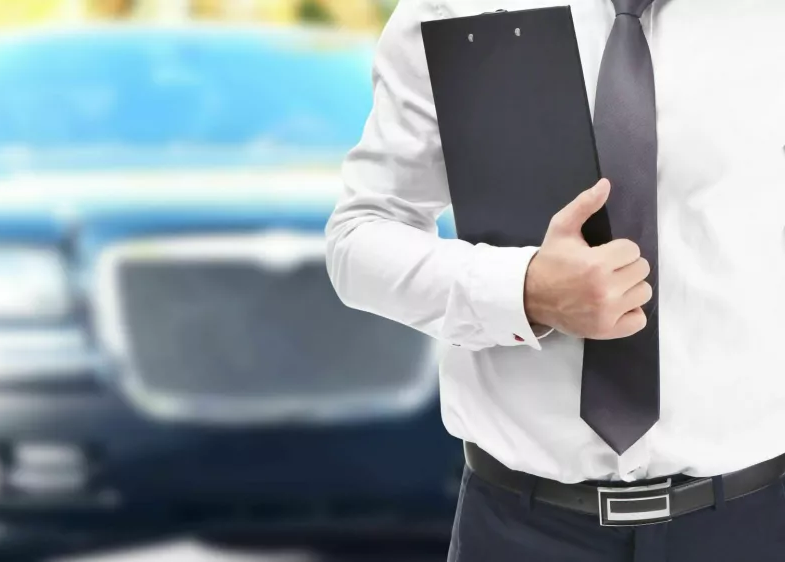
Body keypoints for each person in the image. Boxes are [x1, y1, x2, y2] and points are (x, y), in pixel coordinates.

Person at [325, 1, 785, 561]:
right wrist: (520, 291)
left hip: (755, 520)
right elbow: (360, 236)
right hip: (523, 530)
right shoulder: (457, 5)